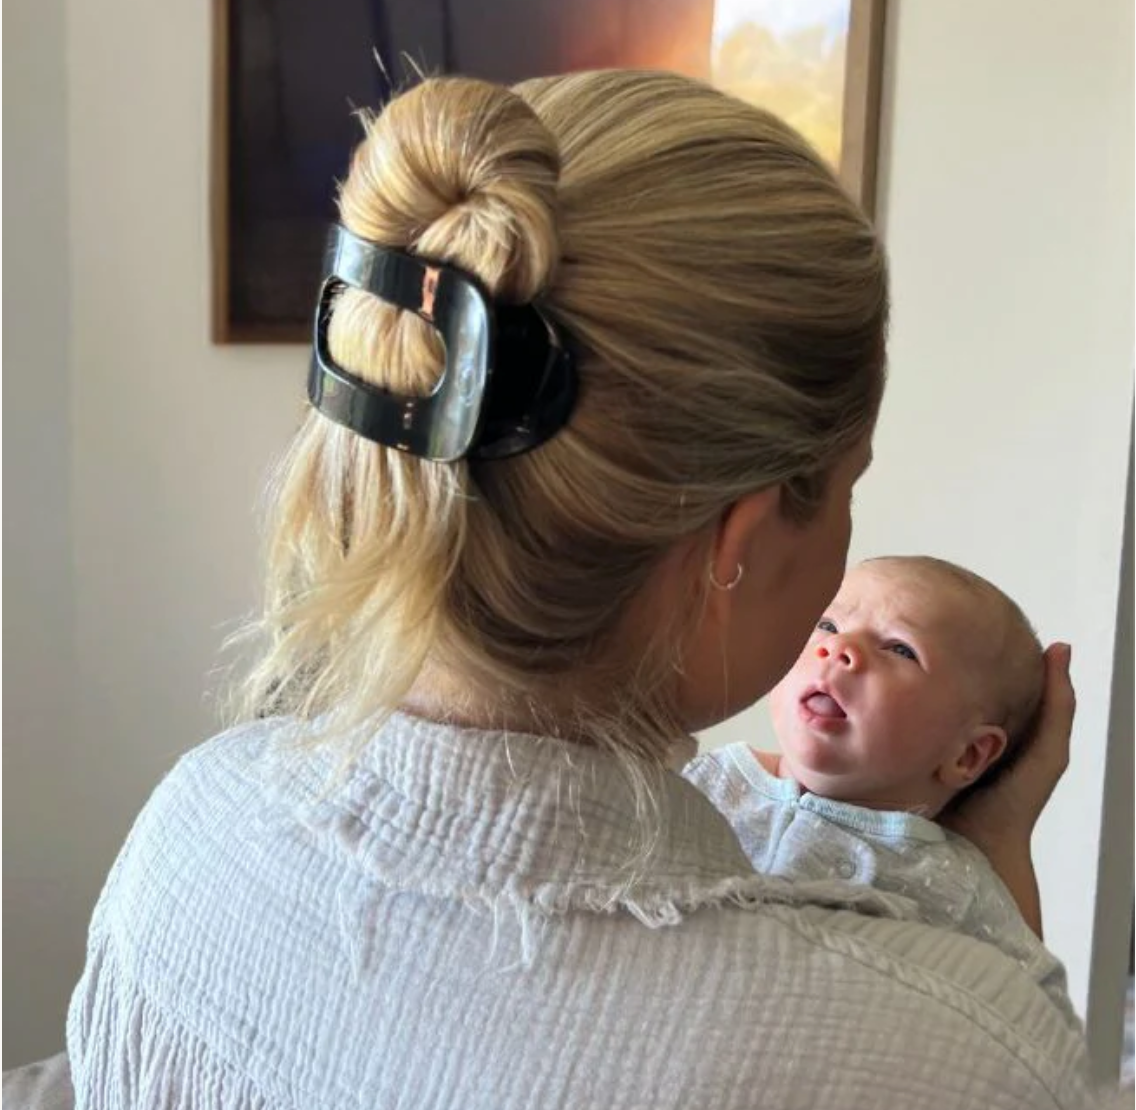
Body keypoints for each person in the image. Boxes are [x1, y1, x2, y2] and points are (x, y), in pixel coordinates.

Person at [56, 71, 1099, 1108]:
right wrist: (995, 852)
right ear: (733, 543)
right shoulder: (938, 1049)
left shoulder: (190, 827)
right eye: (848, 486)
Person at [683, 554, 1080, 1024]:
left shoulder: (950, 882)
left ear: (968, 754)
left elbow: (1035, 1024)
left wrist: (1003, 834)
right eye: (827, 625)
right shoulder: (705, 780)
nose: (838, 648)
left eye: (900, 649)